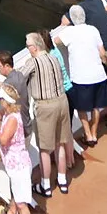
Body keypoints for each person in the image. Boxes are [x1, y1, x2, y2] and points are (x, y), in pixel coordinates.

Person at [17, 31, 72, 195]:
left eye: (27, 46)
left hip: (45, 107)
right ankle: (62, 180)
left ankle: (45, 185)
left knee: (45, 148)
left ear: (34, 47)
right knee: (60, 143)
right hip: (62, 101)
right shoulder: (54, 57)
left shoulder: (33, 62)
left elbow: (18, 77)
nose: (27, 49)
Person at [52, 5, 107, 146]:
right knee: (96, 106)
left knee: (82, 107)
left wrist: (64, 26)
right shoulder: (93, 30)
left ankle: (88, 134)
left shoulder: (69, 32)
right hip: (98, 74)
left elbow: (56, 40)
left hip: (81, 77)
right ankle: (94, 133)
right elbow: (102, 53)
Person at [0, 85, 37, 214]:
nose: (0, 102)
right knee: (19, 201)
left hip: (18, 167)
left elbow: (4, 139)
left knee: (22, 205)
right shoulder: (10, 115)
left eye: (1, 99)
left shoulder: (12, 119)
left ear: (7, 101)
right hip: (15, 166)